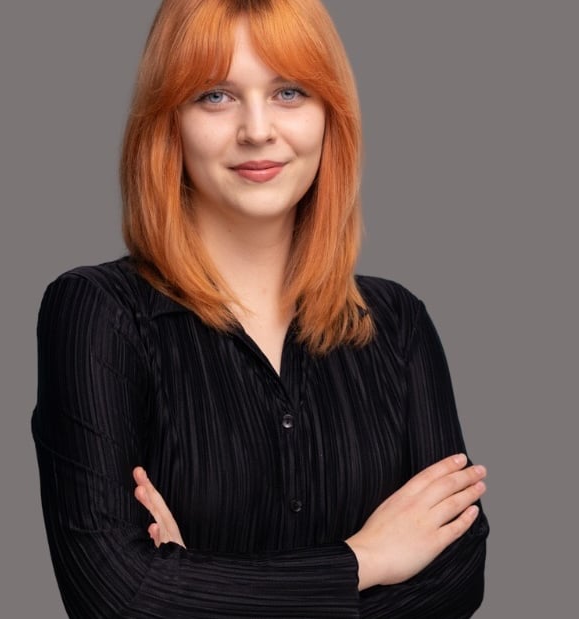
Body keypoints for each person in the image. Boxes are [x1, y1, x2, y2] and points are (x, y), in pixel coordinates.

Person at [31, 0, 489, 617]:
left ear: (331, 115)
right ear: (168, 121)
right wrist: (365, 559)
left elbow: (458, 580)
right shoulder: (98, 314)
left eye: (289, 92)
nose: (256, 130)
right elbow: (119, 597)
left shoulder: (396, 322)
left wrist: (196, 585)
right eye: (215, 96)